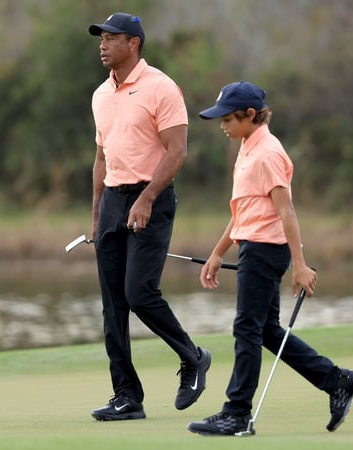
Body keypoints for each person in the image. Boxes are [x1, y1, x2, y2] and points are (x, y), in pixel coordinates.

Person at [187, 81, 353, 436]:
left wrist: (299, 265)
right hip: (254, 246)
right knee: (266, 330)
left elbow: (287, 213)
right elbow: (243, 211)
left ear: (250, 115)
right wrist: (218, 253)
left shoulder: (268, 153)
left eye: (227, 119)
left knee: (246, 328)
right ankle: (337, 380)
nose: (222, 125)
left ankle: (237, 413)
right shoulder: (248, 147)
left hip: (266, 250)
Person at [86, 12, 212, 421]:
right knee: (112, 305)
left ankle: (193, 357)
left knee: (140, 293)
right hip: (112, 203)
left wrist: (147, 198)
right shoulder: (100, 94)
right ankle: (127, 396)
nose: (102, 45)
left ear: (134, 43)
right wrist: (96, 215)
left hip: (151, 199)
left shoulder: (161, 87)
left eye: (111, 38)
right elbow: (102, 158)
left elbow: (177, 152)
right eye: (100, 39)